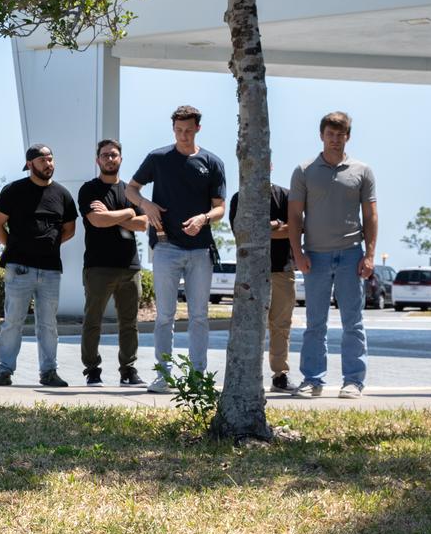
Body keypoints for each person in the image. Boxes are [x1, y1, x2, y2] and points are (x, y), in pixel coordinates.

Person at [127, 105, 226, 394]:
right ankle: (163, 375)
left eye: (188, 129)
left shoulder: (212, 162)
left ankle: (197, 377)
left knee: (199, 316)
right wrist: (145, 204)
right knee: (165, 315)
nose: (183, 135)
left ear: (198, 128)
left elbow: (220, 208)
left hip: (200, 250)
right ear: (173, 129)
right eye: (178, 130)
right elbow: (131, 189)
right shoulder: (158, 158)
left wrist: (204, 218)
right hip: (166, 247)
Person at [288, 111, 378, 399]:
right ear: (322, 135)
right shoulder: (304, 171)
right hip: (315, 256)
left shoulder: (362, 171)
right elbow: (294, 215)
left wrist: (370, 255)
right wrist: (297, 253)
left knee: (353, 322)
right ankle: (312, 380)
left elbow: (371, 215)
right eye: (331, 134)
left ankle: (353, 381)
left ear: (348, 136)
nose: (335, 140)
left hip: (352, 255)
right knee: (315, 323)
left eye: (341, 135)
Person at [0, 143, 78, 387]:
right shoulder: (14, 191)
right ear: (30, 165)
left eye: (50, 159)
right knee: (13, 321)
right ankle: (4, 371)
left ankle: (49, 372)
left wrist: (47, 244)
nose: (48, 164)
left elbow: (69, 229)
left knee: (48, 324)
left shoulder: (62, 195)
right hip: (19, 268)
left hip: (50, 270)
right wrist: (13, 247)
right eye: (42, 160)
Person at [77, 139, 147, 387]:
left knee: (129, 323)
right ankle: (92, 370)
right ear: (98, 160)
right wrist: (128, 213)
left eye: (114, 155)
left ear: (120, 159)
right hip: (98, 266)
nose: (109, 159)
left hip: (130, 267)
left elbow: (144, 223)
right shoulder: (89, 190)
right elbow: (96, 221)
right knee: (92, 320)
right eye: (105, 155)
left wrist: (114, 216)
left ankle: (128, 370)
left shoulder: (130, 191)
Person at [229, 167, 296, 392]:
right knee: (249, 324)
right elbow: (241, 233)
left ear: (270, 167)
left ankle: (280, 375)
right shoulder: (240, 198)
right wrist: (275, 225)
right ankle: (248, 377)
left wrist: (263, 229)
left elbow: (295, 229)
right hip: (250, 272)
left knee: (281, 325)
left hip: (282, 269)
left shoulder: (285, 195)